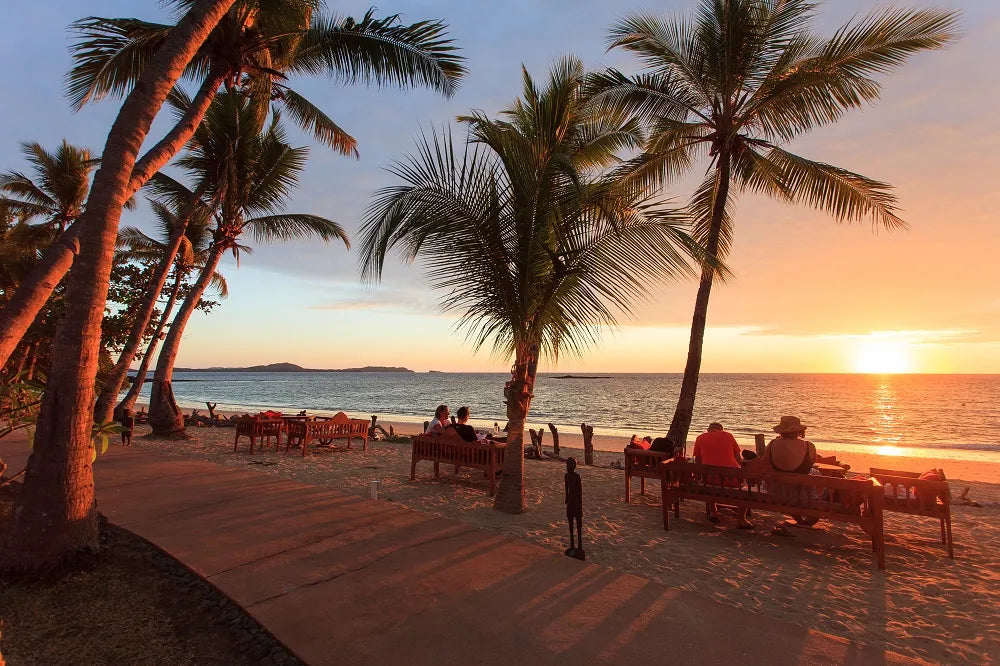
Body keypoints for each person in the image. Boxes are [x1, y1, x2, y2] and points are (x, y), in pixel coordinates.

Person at [693, 422, 750, 528]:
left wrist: (700, 475)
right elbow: (738, 459)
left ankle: (713, 512)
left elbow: (698, 461)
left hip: (710, 480)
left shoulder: (700, 438)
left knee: (708, 481)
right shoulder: (728, 435)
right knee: (745, 488)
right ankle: (741, 519)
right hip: (732, 481)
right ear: (721, 430)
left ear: (709, 430)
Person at [564, 457, 583, 558]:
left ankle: (579, 546)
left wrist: (580, 506)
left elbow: (580, 493)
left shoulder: (577, 477)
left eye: (568, 465)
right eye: (566, 465)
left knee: (578, 527)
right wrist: (566, 499)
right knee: (571, 525)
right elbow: (566, 489)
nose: (567, 467)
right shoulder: (566, 476)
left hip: (576, 504)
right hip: (570, 504)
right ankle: (572, 545)